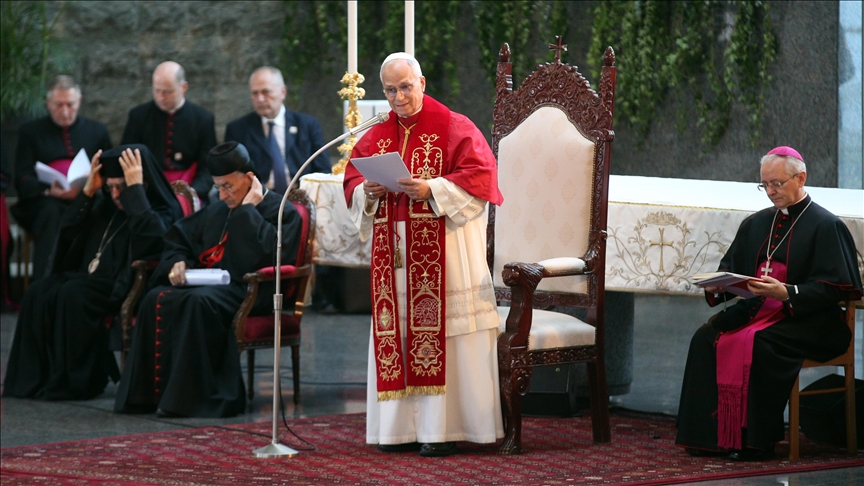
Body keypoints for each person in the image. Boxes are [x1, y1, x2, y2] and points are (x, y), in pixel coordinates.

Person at [343, 53, 505, 457]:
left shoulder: (455, 126)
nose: (398, 97)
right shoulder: (376, 134)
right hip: (394, 259)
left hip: (444, 257)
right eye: (390, 90)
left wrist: (432, 188)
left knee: (444, 335)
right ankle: (398, 430)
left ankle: (442, 429)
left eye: (405, 87)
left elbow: (482, 178)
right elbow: (351, 180)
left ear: (423, 82)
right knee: (396, 335)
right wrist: (369, 191)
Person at [675, 146, 863, 461]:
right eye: (765, 185)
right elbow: (732, 269)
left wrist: (788, 292)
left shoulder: (826, 225)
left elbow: (835, 291)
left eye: (777, 183)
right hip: (756, 311)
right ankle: (709, 438)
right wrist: (720, 287)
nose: (771, 191)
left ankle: (753, 441)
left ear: (801, 178)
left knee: (759, 345)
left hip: (810, 320)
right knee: (705, 338)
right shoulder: (757, 223)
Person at [114, 142, 303, 418]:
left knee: (198, 302)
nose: (223, 194)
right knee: (155, 297)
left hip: (252, 290)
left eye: (228, 186)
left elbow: (265, 256)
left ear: (249, 179)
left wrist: (246, 211)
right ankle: (145, 397)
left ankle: (188, 400)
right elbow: (180, 238)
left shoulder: (282, 209)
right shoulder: (218, 208)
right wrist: (178, 260)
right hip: (212, 286)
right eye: (218, 187)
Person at [3, 144, 183, 400]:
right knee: (37, 291)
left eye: (123, 186)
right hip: (91, 279)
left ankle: (76, 382)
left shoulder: (162, 207)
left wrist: (135, 194)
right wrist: (87, 193)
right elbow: (68, 233)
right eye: (110, 187)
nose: (116, 194)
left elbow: (154, 238)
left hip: (129, 284)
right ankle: (30, 382)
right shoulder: (105, 206)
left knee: (72, 293)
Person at [11, 75, 113, 280]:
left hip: (87, 198)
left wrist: (88, 187)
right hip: (45, 202)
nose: (65, 111)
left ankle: (94, 281)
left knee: (102, 210)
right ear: (48, 103)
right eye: (58, 105)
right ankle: (45, 284)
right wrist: (49, 190)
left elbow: (109, 172)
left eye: (70, 104)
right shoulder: (30, 132)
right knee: (50, 213)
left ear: (79, 101)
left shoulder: (97, 131)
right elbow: (22, 177)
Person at [224, 66, 331, 195]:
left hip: (302, 196)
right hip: (258, 198)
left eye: (266, 92)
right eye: (255, 93)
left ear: (283, 92)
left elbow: (323, 169)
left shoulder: (307, 125)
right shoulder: (238, 129)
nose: (260, 99)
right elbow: (232, 174)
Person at [121, 61, 217, 200]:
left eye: (167, 92)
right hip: (149, 190)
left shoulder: (202, 119)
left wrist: (191, 194)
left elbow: (207, 167)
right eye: (157, 90)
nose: (160, 97)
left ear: (183, 87)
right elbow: (127, 158)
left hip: (190, 189)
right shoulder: (138, 116)